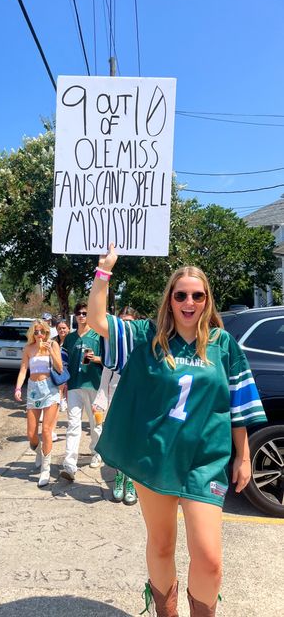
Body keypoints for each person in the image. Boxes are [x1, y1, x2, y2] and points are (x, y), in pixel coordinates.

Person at [88, 245, 267, 617]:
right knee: (162, 544)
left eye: (197, 295)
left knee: (209, 558)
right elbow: (97, 321)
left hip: (206, 462)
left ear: (207, 300)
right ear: (170, 299)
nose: (189, 302)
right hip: (156, 460)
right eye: (181, 294)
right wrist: (103, 272)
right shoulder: (146, 337)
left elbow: (238, 405)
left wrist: (244, 456)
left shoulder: (224, 345)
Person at [92, 306, 140, 506]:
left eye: (129, 322)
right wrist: (99, 402)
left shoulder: (142, 348)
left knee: (135, 445)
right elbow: (105, 377)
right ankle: (119, 479)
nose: (125, 326)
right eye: (122, 322)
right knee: (120, 444)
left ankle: (132, 483)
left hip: (138, 403)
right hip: (116, 402)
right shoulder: (113, 349)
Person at [14, 319, 63, 488]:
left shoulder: (52, 345)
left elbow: (60, 368)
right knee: (31, 434)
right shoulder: (28, 348)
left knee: (47, 430)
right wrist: (18, 388)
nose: (39, 334)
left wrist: (51, 351)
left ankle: (46, 469)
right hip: (34, 389)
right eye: (36, 332)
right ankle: (39, 451)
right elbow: (23, 369)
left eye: (42, 331)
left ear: (47, 332)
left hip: (50, 389)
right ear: (32, 333)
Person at [59, 302, 103, 480]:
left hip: (94, 384)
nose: (82, 316)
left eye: (85, 313)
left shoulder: (98, 336)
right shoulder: (69, 338)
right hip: (74, 385)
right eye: (79, 313)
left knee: (95, 424)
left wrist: (95, 358)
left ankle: (97, 453)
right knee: (73, 424)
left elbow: (109, 360)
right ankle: (69, 465)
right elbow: (63, 361)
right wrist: (61, 381)